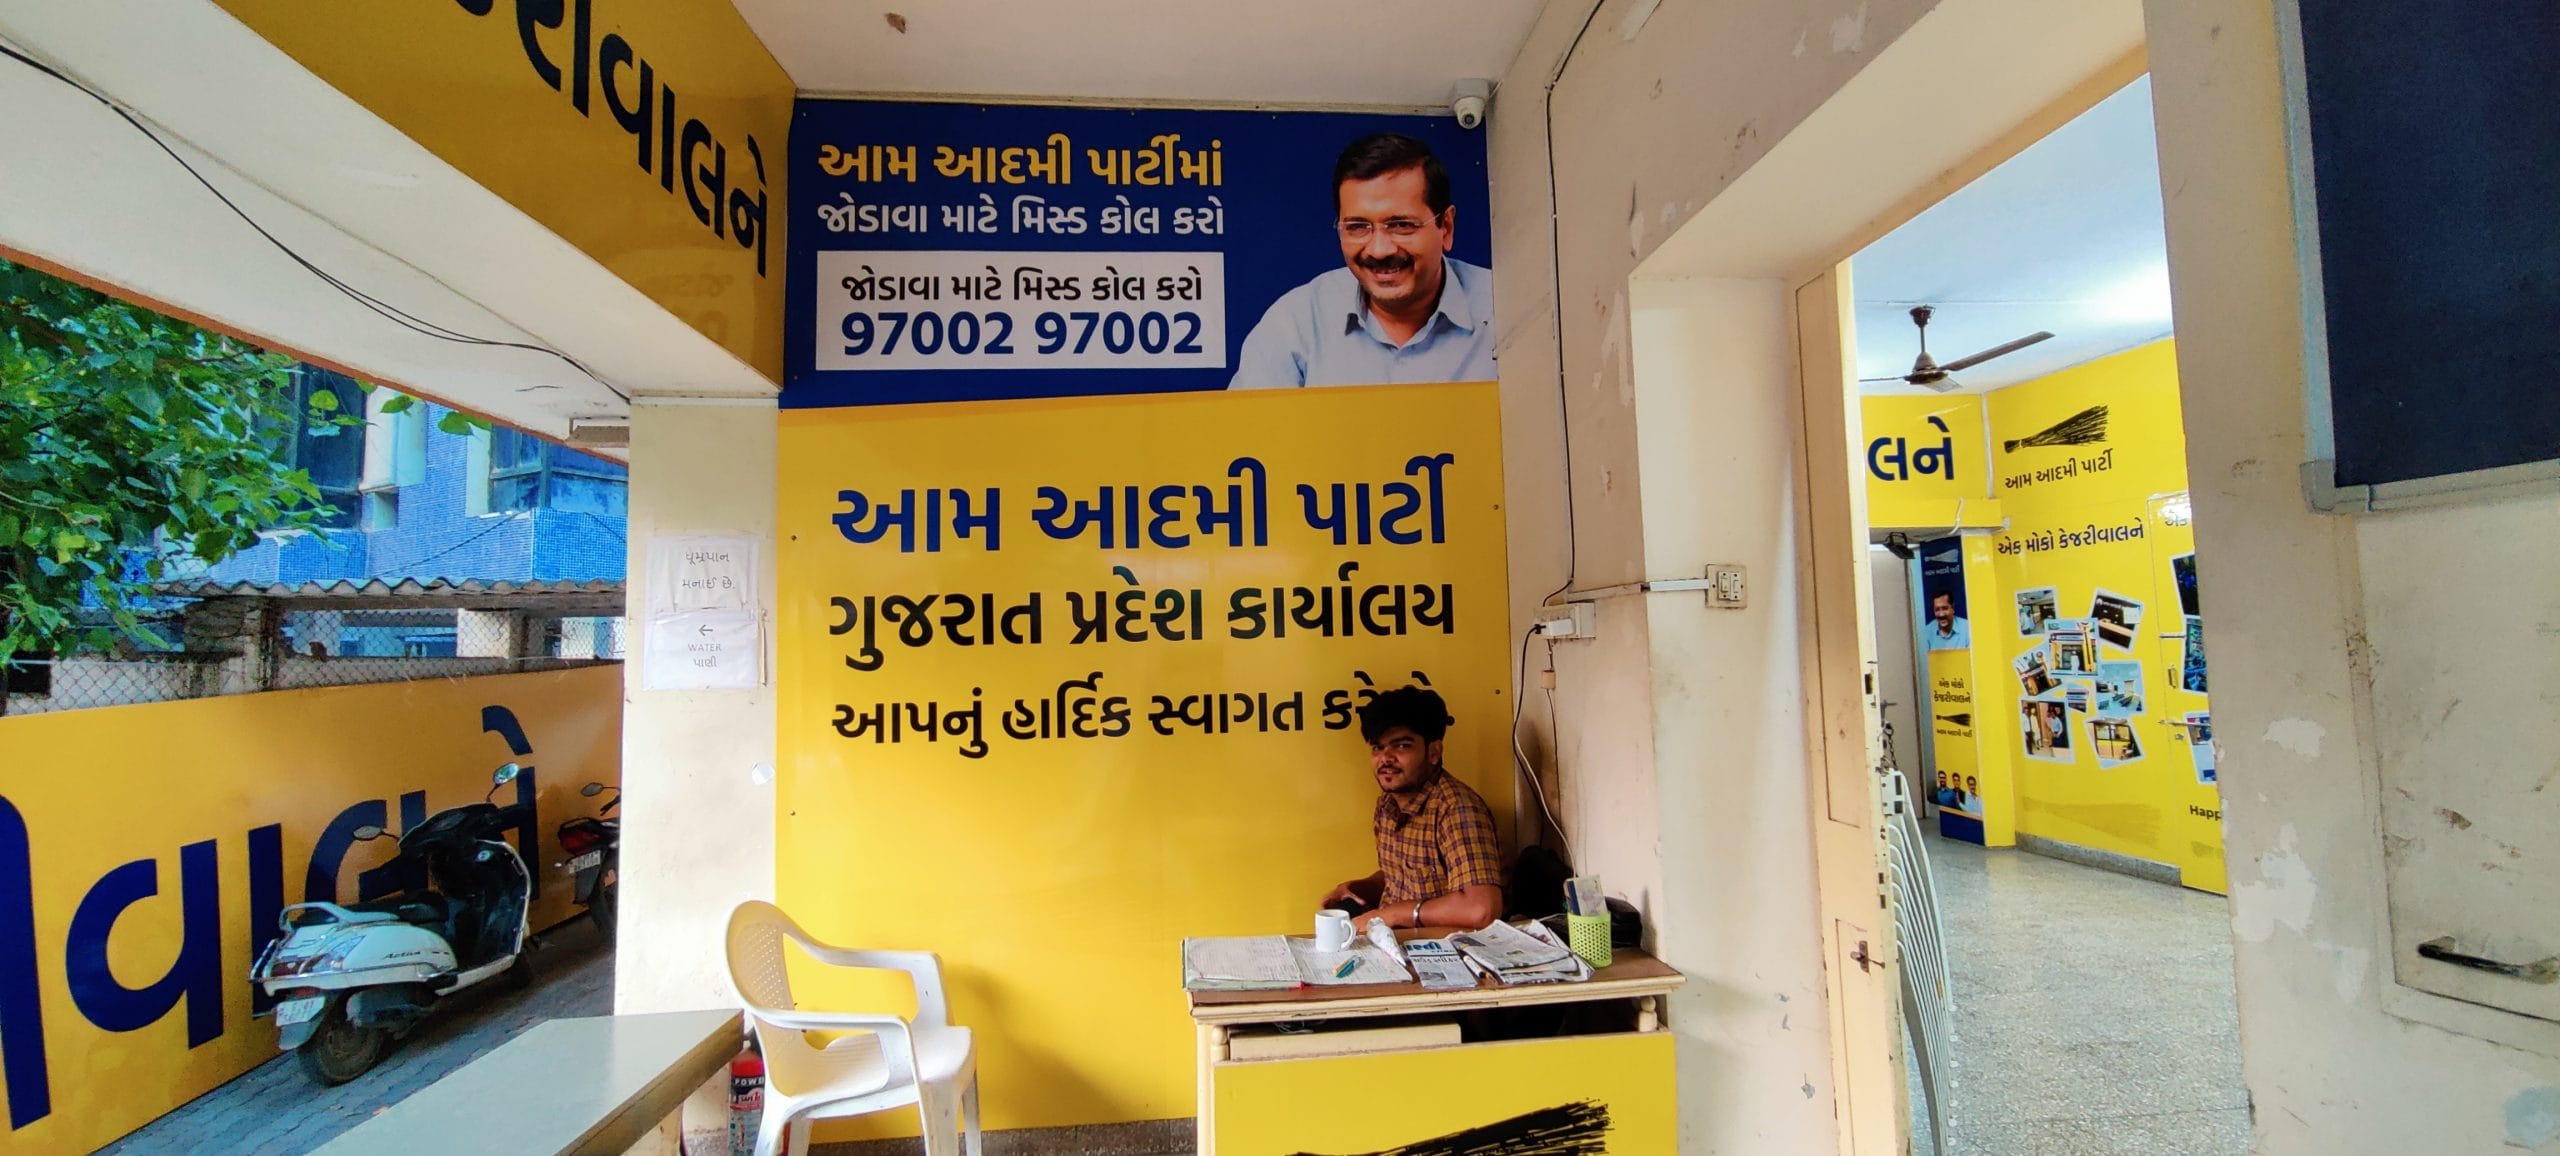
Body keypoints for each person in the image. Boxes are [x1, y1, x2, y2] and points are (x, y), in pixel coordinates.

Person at [1229, 133, 1495, 390]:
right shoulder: (1296, 323)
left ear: (1445, 227)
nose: (1379, 250)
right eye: (1358, 227)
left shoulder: (1505, 309)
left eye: (1401, 225)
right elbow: (1247, 434)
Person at [1320, 686, 1505, 933]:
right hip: (1392, 943)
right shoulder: (1387, 805)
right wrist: (1363, 887)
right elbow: (1408, 875)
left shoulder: (1457, 809)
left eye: (1402, 746)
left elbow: (1481, 909)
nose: (1385, 758)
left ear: (1434, 752)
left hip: (1444, 954)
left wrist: (1391, 914)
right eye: (1378, 747)